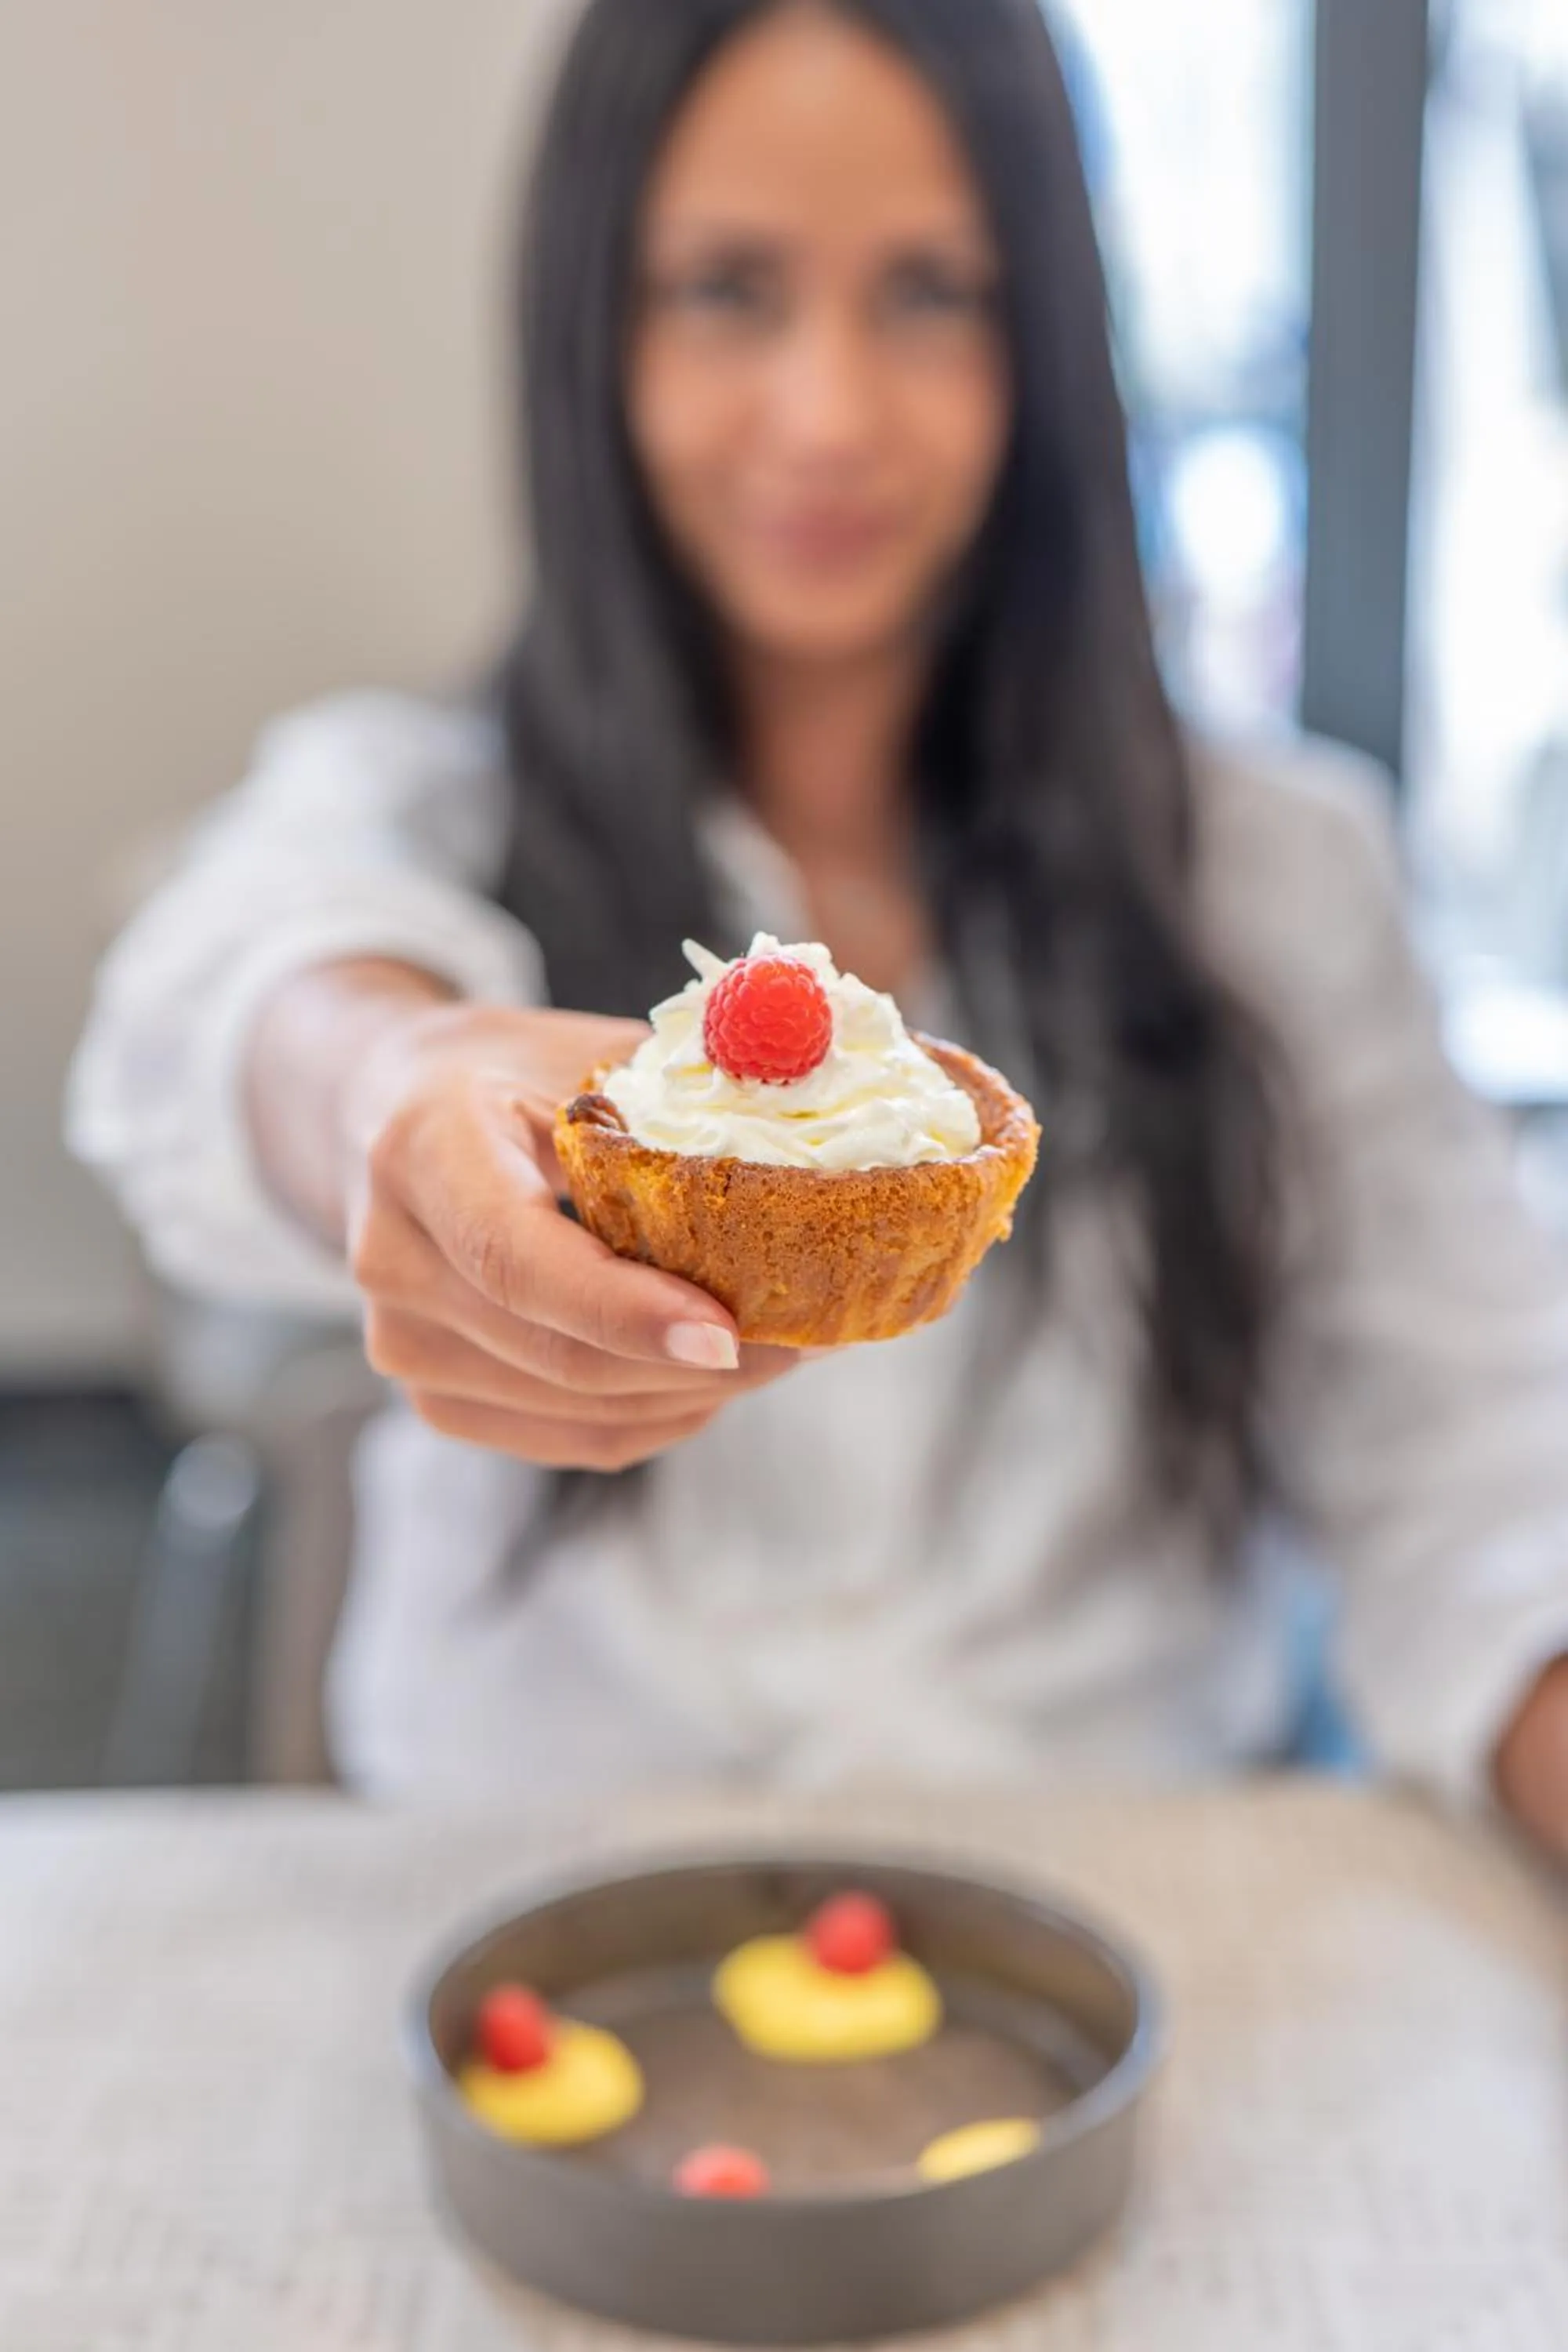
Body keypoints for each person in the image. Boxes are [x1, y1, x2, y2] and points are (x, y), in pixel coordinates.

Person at [69, 0, 1568, 1845]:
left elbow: (1479, 1466)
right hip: (545, 1908)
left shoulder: (1276, 868)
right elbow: (219, 999)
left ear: (1048, 335)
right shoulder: (426, 800)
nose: (830, 413)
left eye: (931, 289)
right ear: (593, 327)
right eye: (729, 289)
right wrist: (398, 1075)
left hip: (1116, 1924)